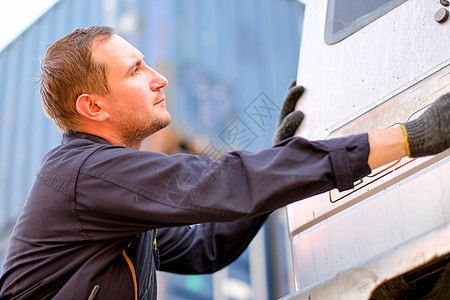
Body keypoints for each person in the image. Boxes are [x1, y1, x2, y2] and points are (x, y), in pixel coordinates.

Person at [0, 25, 448, 300]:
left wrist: (276, 165)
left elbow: (203, 249)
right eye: (135, 71)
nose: (160, 79)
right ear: (93, 107)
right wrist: (409, 137)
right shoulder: (82, 174)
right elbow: (226, 182)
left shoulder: (109, 194)